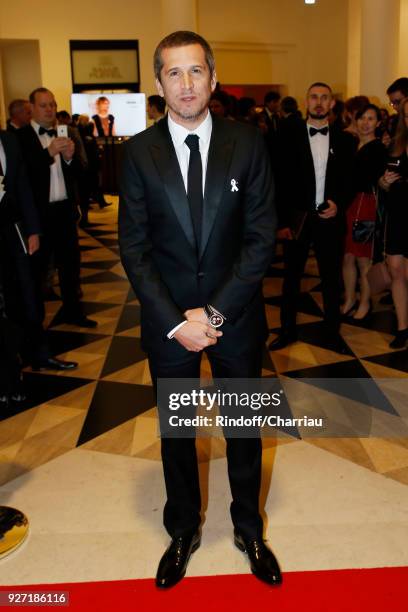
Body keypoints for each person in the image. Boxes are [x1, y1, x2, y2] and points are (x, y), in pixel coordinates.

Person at [119, 30, 280, 589]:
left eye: (195, 71)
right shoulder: (138, 152)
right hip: (169, 326)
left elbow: (261, 240)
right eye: (173, 73)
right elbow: (134, 249)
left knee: (243, 427)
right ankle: (183, 528)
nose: (185, 84)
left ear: (212, 77)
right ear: (158, 83)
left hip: (234, 319)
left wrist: (213, 317)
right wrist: (175, 321)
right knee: (178, 432)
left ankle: (248, 527)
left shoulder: (249, 143)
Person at [270, 82, 353, 353]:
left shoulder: (346, 140)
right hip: (298, 219)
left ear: (332, 104)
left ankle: (331, 331)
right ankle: (286, 331)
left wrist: (338, 204)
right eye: (314, 97)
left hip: (330, 219)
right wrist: (281, 223)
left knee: (331, 279)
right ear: (307, 102)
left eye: (324, 98)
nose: (319, 102)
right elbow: (278, 182)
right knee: (291, 279)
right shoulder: (287, 135)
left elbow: (349, 182)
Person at [16, 87, 96, 329]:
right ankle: (34, 325)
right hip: (37, 215)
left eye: (52, 104)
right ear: (31, 108)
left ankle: (73, 311)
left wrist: (70, 157)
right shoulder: (20, 138)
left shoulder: (65, 133)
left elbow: (79, 175)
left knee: (70, 265)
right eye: (44, 105)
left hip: (63, 210)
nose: (50, 109)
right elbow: (23, 177)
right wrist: (48, 153)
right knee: (38, 271)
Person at [0, 129, 77, 373]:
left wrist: (33, 229)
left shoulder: (7, 139)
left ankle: (39, 355)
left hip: (14, 231)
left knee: (28, 295)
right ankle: (9, 370)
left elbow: (22, 183)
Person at [341, 104, 386, 320]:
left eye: (370, 119)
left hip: (366, 205)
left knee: (363, 259)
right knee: (347, 257)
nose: (365, 123)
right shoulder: (350, 144)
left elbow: (378, 181)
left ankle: (366, 302)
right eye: (362, 118)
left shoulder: (379, 148)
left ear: (378, 123)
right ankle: (350, 298)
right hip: (348, 205)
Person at [378, 97, 408, 348]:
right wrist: (384, 183)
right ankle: (402, 327)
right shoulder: (395, 146)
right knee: (395, 269)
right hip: (398, 215)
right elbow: (382, 183)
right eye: (406, 115)